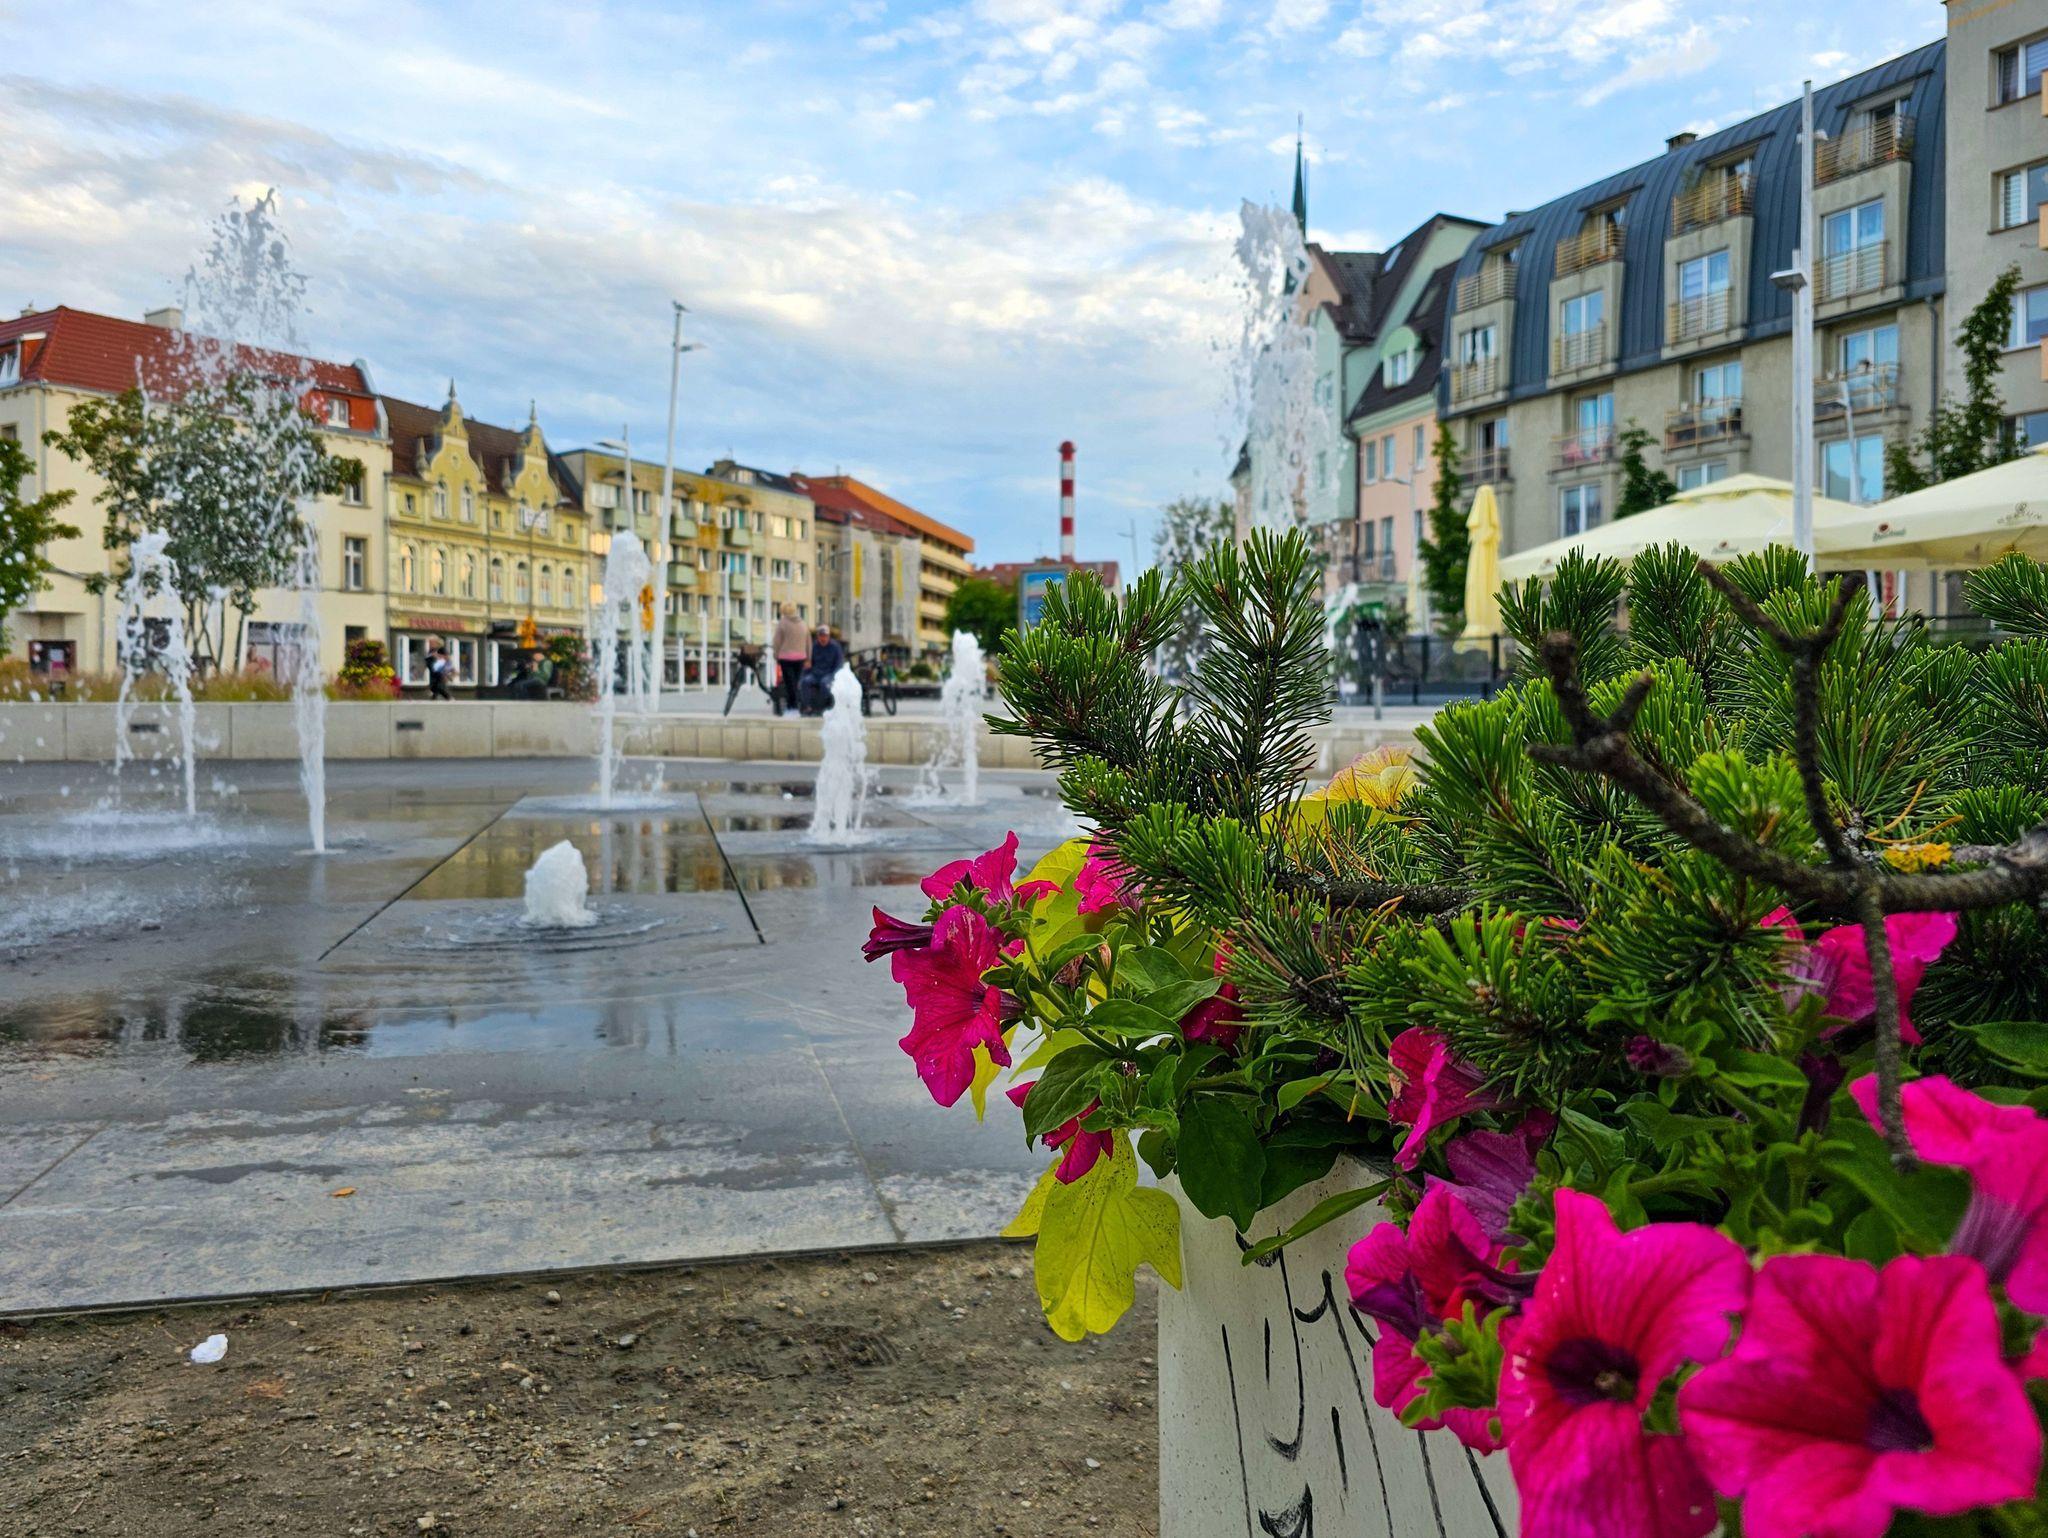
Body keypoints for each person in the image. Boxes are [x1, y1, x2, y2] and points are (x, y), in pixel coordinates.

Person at [771, 603, 809, 715]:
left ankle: (792, 706)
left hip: (786, 658)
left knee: (789, 683)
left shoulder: (782, 624)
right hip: (801, 657)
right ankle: (796, 706)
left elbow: (777, 641)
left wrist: (776, 655)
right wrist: (808, 657)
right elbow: (808, 642)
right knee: (795, 682)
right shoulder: (803, 623)